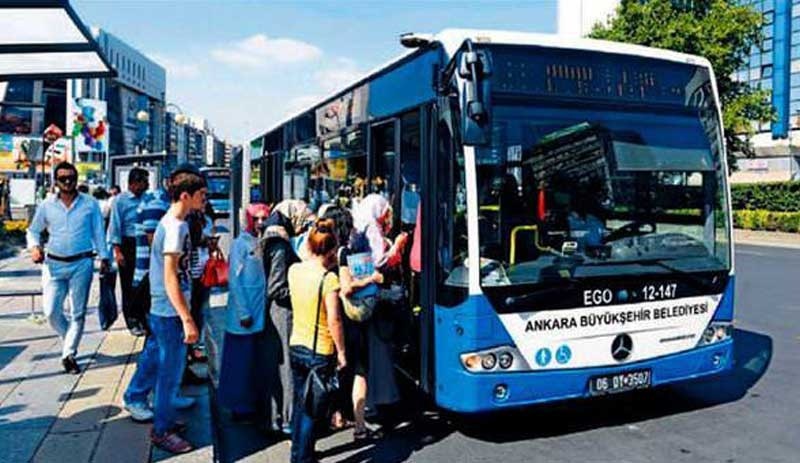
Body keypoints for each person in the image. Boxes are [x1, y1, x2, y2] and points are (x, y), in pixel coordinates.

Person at [123, 166, 207, 454]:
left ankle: (161, 415)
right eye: (202, 195)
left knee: (158, 361)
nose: (205, 200)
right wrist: (187, 318)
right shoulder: (175, 227)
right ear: (186, 195)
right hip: (169, 310)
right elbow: (172, 276)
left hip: (164, 308)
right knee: (170, 372)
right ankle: (162, 430)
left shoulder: (173, 222)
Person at [27, 162, 110, 374]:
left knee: (78, 312)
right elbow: (34, 230)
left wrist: (105, 257)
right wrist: (35, 247)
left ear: (76, 179)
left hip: (81, 263)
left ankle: (69, 354)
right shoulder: (47, 205)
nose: (67, 182)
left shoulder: (89, 204)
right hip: (54, 264)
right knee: (51, 311)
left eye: (71, 178)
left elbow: (99, 233)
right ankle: (68, 339)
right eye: (63, 178)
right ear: (55, 181)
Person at [287, 218, 347, 463]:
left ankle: (300, 452)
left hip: (296, 345)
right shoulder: (328, 279)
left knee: (301, 404)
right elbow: (334, 320)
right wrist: (342, 352)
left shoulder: (295, 270)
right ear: (332, 250)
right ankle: (301, 458)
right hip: (319, 351)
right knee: (313, 411)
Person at [323, 205, 383, 440]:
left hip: (331, 315)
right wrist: (372, 278)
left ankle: (337, 415)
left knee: (339, 368)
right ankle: (359, 425)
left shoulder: (323, 252)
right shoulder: (343, 253)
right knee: (359, 370)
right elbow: (347, 288)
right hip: (350, 319)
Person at [352, 194, 409, 422]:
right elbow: (379, 262)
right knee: (379, 349)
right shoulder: (372, 228)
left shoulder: (359, 222)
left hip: (361, 296)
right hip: (374, 293)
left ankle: (372, 402)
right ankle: (381, 402)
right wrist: (396, 246)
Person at [261, 199, 312, 434]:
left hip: (276, 312)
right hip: (283, 313)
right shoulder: (280, 245)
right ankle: (289, 419)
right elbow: (276, 288)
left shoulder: (272, 237)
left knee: (279, 365)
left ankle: (277, 416)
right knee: (287, 367)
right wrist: (301, 290)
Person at [218, 203, 270, 420]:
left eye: (263, 218)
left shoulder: (262, 242)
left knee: (251, 363)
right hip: (244, 314)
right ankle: (238, 406)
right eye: (255, 218)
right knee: (239, 363)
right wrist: (243, 312)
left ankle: (249, 402)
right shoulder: (240, 244)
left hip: (258, 311)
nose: (260, 222)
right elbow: (235, 281)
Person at [108, 167, 150, 335]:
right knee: (128, 284)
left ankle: (144, 317)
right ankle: (131, 320)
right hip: (128, 244)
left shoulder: (148, 199)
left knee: (144, 283)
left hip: (145, 244)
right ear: (133, 183)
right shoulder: (120, 201)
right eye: (143, 182)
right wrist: (117, 252)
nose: (146, 185)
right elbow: (115, 227)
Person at [184, 209, 214, 384]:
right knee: (194, 313)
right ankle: (190, 351)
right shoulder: (186, 221)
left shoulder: (206, 219)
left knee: (201, 312)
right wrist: (204, 241)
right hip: (193, 275)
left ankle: (194, 349)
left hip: (204, 270)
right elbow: (192, 242)